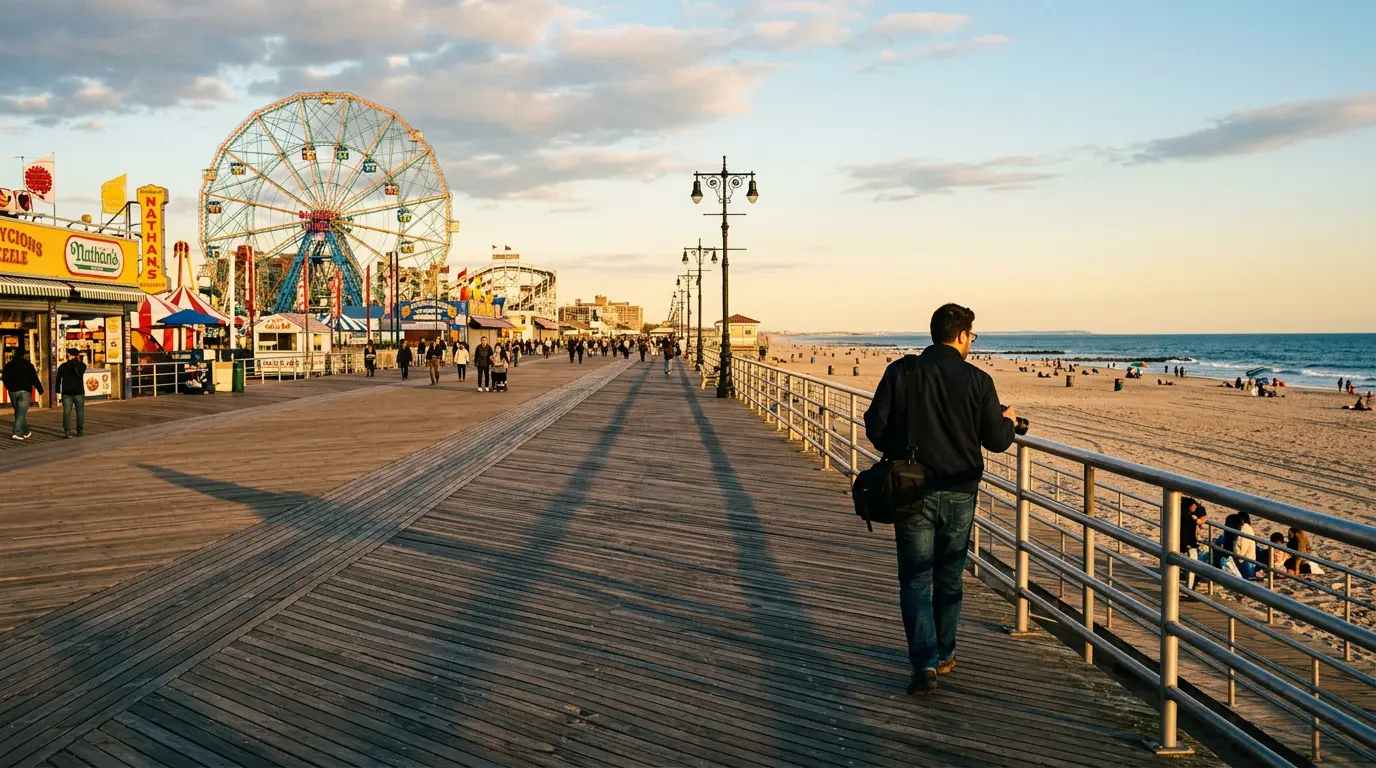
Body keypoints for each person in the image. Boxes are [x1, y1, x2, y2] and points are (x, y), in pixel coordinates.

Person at [863, 303, 1017, 696]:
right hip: (960, 492)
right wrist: (1010, 422)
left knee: (915, 578)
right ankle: (945, 654)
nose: (972, 343)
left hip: (912, 489)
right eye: (972, 337)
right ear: (963, 336)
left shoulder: (903, 371)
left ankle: (925, 665)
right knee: (948, 576)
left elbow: (875, 427)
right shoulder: (978, 380)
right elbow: (996, 441)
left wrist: (902, 445)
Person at [4, 349, 43, 441]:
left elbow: (4, 378)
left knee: (19, 413)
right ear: (24, 355)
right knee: (21, 413)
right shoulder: (28, 365)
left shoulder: (8, 365)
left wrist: (9, 387)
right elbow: (34, 378)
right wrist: (40, 389)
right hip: (25, 391)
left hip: (13, 391)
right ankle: (17, 432)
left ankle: (26, 432)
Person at [56, 348, 87, 439]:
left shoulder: (63, 366)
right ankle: (80, 431)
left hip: (66, 392)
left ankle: (67, 431)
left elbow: (58, 379)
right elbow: (81, 371)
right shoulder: (81, 365)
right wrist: (76, 361)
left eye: (68, 354)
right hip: (79, 392)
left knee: (66, 412)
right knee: (80, 412)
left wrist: (58, 390)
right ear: (78, 355)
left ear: (69, 355)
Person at [1179, 497, 1208, 589]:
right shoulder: (1189, 517)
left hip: (1182, 544)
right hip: (1188, 544)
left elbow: (1199, 513)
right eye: (1193, 506)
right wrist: (1202, 518)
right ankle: (1190, 588)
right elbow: (1200, 521)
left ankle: (1189, 586)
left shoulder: (1181, 513)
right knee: (1192, 566)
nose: (1195, 507)